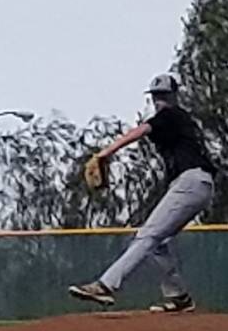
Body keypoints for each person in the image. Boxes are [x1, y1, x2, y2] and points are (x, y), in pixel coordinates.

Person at [68, 73, 217, 313]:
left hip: (191, 181)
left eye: (163, 95)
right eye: (156, 96)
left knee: (146, 236)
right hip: (195, 183)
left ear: (173, 96)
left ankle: (105, 285)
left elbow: (141, 131)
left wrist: (105, 153)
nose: (159, 100)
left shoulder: (171, 115)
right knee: (158, 242)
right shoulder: (176, 122)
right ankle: (179, 297)